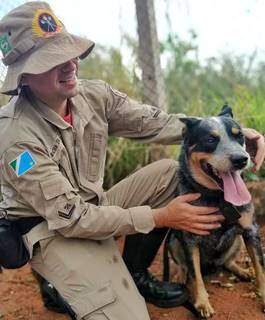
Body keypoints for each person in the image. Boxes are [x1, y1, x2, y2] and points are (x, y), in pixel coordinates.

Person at [0, 2, 264, 320]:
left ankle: (134, 271)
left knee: (169, 172)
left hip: (93, 206)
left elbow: (158, 123)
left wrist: (229, 135)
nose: (69, 64)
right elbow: (72, 219)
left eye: (68, 52)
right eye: (52, 59)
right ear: (24, 77)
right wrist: (159, 217)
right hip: (53, 229)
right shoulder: (15, 137)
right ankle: (55, 282)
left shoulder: (92, 96)